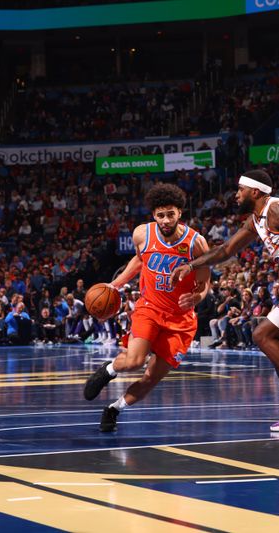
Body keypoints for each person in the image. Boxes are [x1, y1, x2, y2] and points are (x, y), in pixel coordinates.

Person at [171, 169, 279, 433]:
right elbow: (225, 250)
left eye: (240, 190)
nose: (236, 195)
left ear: (255, 191)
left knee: (261, 335)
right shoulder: (256, 220)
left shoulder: (278, 209)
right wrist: (191, 265)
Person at [83, 183, 210, 432]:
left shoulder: (196, 243)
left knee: (151, 377)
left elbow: (205, 283)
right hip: (149, 308)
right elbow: (141, 259)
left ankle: (113, 409)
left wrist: (197, 298)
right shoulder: (142, 234)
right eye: (160, 215)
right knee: (133, 361)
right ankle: (107, 371)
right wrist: (117, 283)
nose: (165, 220)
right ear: (153, 215)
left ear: (179, 213)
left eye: (170, 214)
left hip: (181, 321)